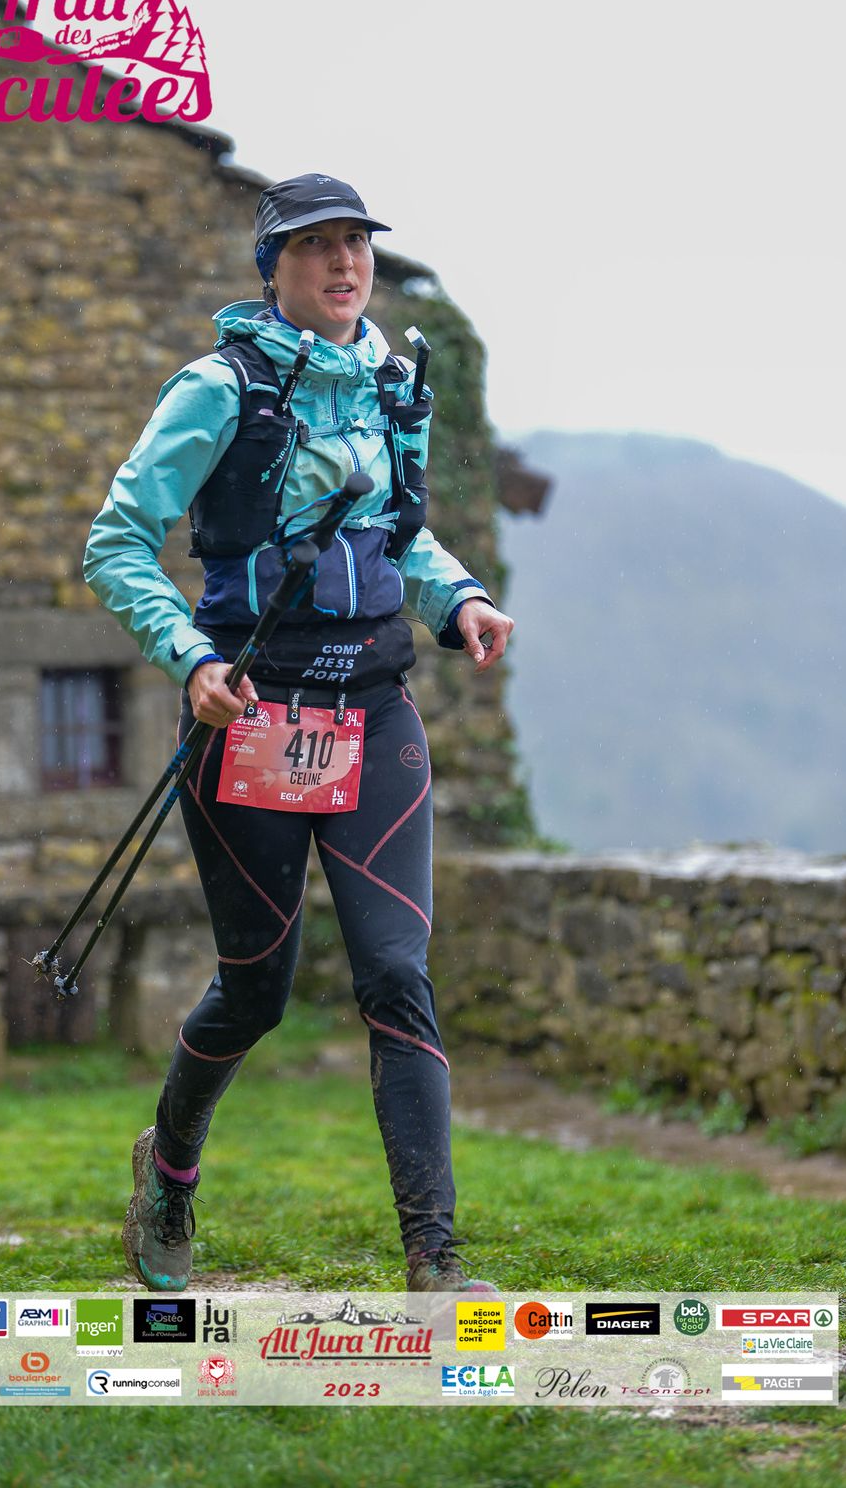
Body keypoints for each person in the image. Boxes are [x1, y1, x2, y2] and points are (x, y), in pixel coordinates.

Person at [83, 173, 514, 1294]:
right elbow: (115, 543)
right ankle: (169, 1168)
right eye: (315, 245)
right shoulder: (215, 389)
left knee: (395, 973)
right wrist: (191, 658)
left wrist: (459, 598)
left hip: (375, 710)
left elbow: (399, 536)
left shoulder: (394, 386)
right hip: (248, 717)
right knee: (256, 990)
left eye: (354, 243)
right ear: (271, 267)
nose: (343, 262)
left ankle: (434, 1261)